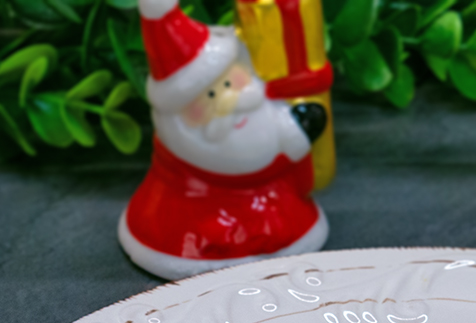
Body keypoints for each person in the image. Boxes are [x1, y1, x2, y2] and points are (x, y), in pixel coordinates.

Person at [119, 0, 329, 280]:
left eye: (231, 83)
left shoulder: (257, 115)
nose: (228, 100)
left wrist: (299, 130)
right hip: (194, 218)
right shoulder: (186, 152)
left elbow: (273, 141)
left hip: (277, 203)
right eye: (209, 96)